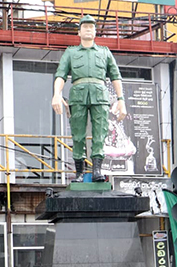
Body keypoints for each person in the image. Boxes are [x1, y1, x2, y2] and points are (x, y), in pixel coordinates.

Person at [51, 15, 127, 183]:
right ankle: (79, 172)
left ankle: (97, 170)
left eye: (91, 27)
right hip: (78, 95)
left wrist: (121, 100)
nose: (88, 29)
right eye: (84, 27)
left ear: (95, 32)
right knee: (78, 134)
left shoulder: (104, 52)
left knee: (100, 133)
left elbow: (115, 76)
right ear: (79, 32)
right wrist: (56, 94)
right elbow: (60, 75)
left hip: (100, 95)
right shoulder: (71, 52)